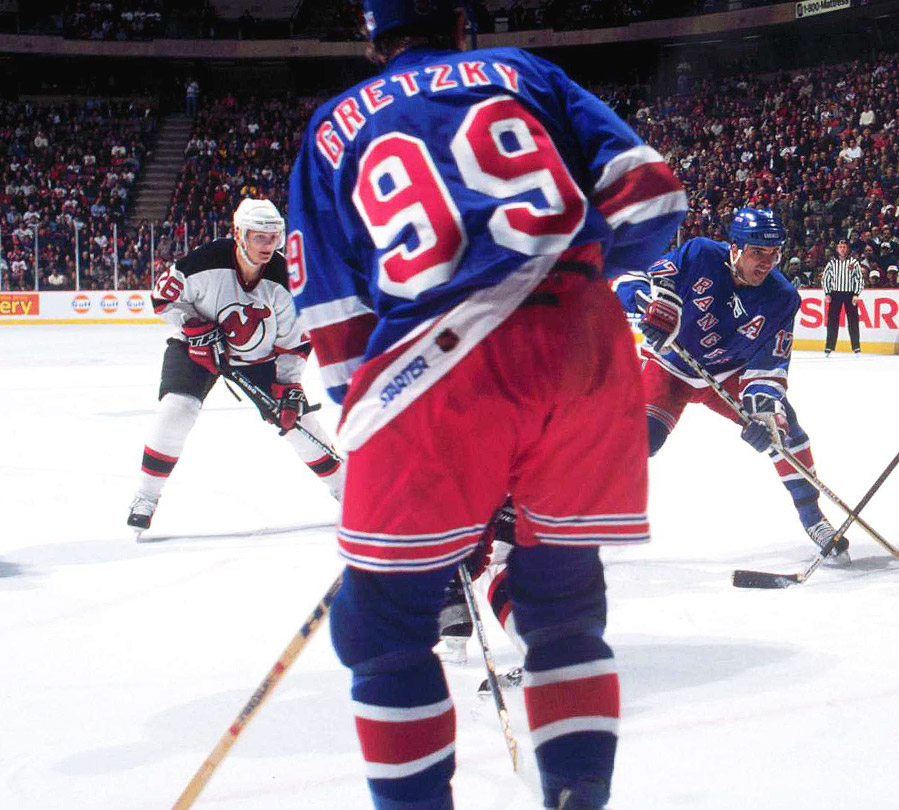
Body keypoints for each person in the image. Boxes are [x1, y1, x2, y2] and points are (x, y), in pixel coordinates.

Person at [284, 1, 687, 807]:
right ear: (460, 24)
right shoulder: (527, 73)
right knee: (563, 606)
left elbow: (334, 317)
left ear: (372, 37)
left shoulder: (333, 126)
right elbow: (653, 201)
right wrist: (561, 265)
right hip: (586, 349)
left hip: (437, 367)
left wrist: (389, 437)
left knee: (380, 626)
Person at [613, 208, 849, 560]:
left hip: (728, 375)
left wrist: (765, 415)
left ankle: (814, 519)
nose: (766, 263)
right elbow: (630, 278)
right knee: (640, 442)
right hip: (670, 367)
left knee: (785, 432)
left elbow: (769, 367)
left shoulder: (782, 298)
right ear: (735, 248)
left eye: (774, 253)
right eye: (757, 252)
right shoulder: (699, 253)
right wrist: (647, 305)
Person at [125, 198, 343, 538]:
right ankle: (145, 497)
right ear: (239, 234)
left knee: (298, 420)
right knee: (177, 409)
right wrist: (192, 326)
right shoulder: (205, 261)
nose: (268, 245)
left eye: (273, 237)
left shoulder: (286, 279)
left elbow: (295, 342)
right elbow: (162, 298)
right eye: (259, 237)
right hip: (195, 350)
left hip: (258, 358)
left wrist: (288, 387)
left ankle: (348, 493)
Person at [821, 238, 864, 355]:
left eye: (844, 247)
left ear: (848, 249)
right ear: (837, 249)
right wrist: (827, 293)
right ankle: (829, 346)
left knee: (853, 321)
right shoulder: (832, 263)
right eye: (840, 247)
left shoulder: (854, 263)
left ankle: (856, 347)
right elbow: (825, 278)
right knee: (832, 321)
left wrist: (856, 294)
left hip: (850, 294)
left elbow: (859, 279)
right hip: (835, 294)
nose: (842, 249)